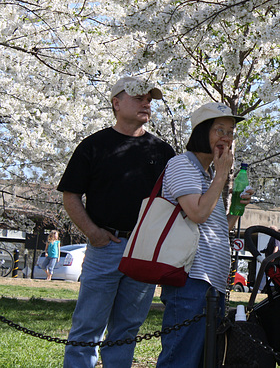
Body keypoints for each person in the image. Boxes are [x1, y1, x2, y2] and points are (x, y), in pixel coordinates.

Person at [57, 76, 176, 368]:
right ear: (116, 103)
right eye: (138, 98)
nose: (146, 103)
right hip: (104, 248)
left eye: (149, 99)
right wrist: (93, 233)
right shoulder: (93, 146)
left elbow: (177, 201)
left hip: (143, 250)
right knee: (87, 326)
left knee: (127, 330)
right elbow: (70, 195)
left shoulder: (162, 151)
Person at [156, 102, 253, 368]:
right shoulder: (182, 164)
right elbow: (197, 213)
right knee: (181, 358)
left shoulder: (207, 174)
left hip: (212, 281)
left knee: (203, 359)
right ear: (200, 132)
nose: (226, 137)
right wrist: (222, 174)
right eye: (218, 129)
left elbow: (214, 225)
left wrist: (236, 208)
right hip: (190, 279)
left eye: (231, 131)